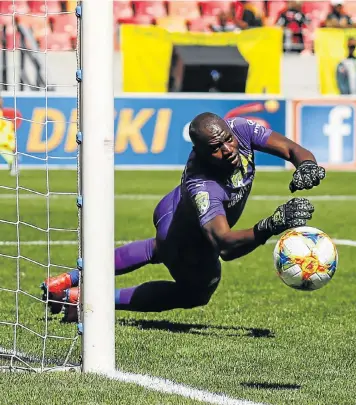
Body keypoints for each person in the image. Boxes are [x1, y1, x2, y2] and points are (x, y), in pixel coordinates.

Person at [42, 113, 326, 322]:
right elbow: (224, 244)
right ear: (199, 151)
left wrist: (307, 166)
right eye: (216, 147)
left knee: (156, 249)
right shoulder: (203, 184)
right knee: (197, 292)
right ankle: (86, 299)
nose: (227, 150)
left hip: (174, 210)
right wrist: (272, 224)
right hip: (188, 237)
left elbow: (291, 148)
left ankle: (68, 280)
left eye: (227, 140)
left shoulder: (240, 129)